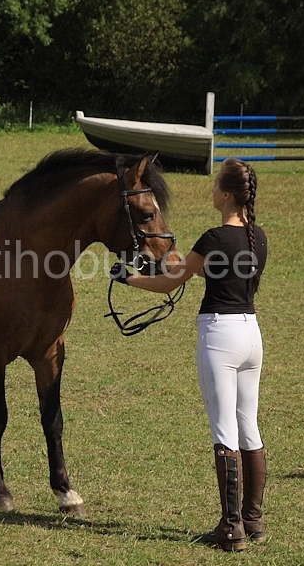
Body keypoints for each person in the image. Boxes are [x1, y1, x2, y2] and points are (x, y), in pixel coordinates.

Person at [110, 157, 268, 552]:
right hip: (251, 335)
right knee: (248, 428)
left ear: (226, 194)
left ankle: (231, 528)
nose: (211, 190)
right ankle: (252, 518)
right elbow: (198, 269)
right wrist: (171, 260)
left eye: (215, 185)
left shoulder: (213, 238)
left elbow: (170, 282)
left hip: (221, 337)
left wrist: (128, 277)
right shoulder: (258, 237)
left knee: (224, 432)